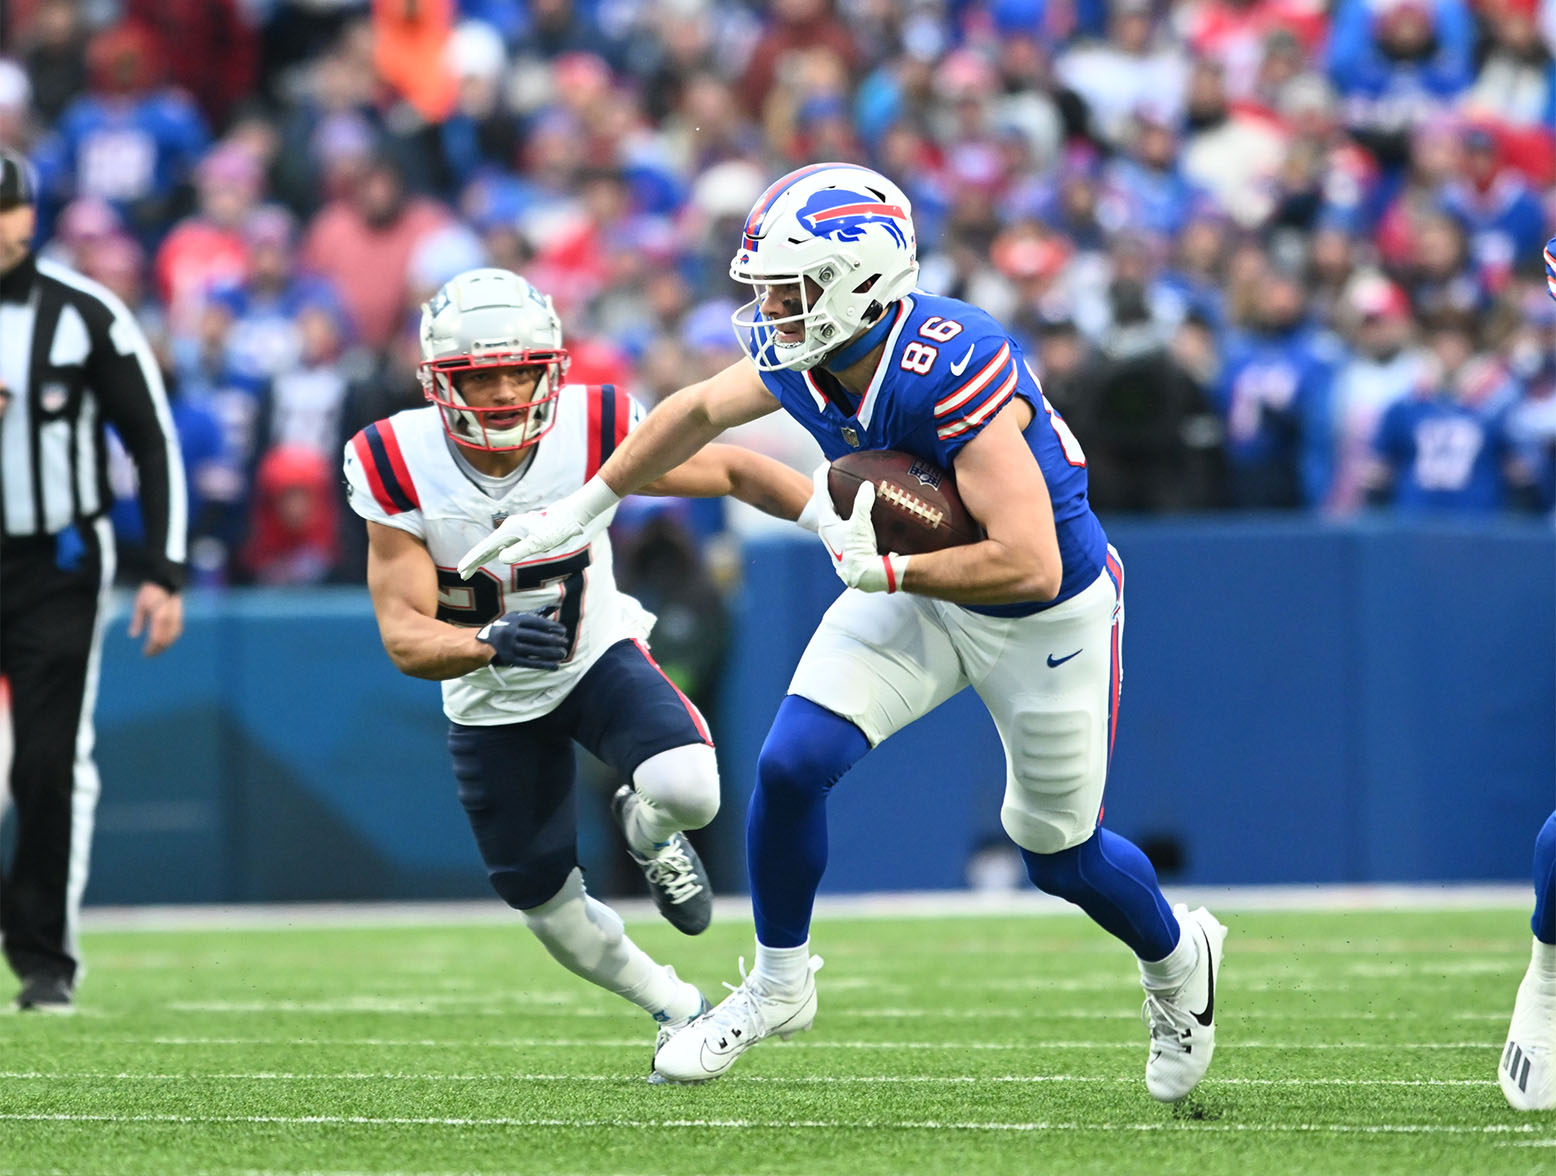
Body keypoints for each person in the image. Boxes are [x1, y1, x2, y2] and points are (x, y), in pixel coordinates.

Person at [458, 162, 1227, 1099]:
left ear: (857, 282)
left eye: (789, 288)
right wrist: (582, 512)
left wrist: (892, 569)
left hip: (1043, 614)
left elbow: (1028, 560)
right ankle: (779, 987)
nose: (772, 309)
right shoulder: (811, 355)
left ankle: (1177, 958)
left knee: (1056, 851)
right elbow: (697, 411)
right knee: (790, 766)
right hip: (917, 589)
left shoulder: (947, 362)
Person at [342, 267, 810, 1074]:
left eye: (518, 370)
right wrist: (488, 642)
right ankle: (677, 1006)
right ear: (436, 382)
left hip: (595, 655)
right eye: (478, 374)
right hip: (490, 697)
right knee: (547, 908)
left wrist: (834, 520)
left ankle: (648, 829)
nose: (499, 392)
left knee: (692, 787)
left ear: (549, 367)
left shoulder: (592, 425)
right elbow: (406, 637)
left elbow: (733, 470)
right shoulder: (394, 458)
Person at [0, 146, 186, 1013]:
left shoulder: (83, 313)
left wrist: (165, 570)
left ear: (29, 216)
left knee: (44, 761)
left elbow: (150, 438)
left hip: (56, 564)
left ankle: (42, 957)